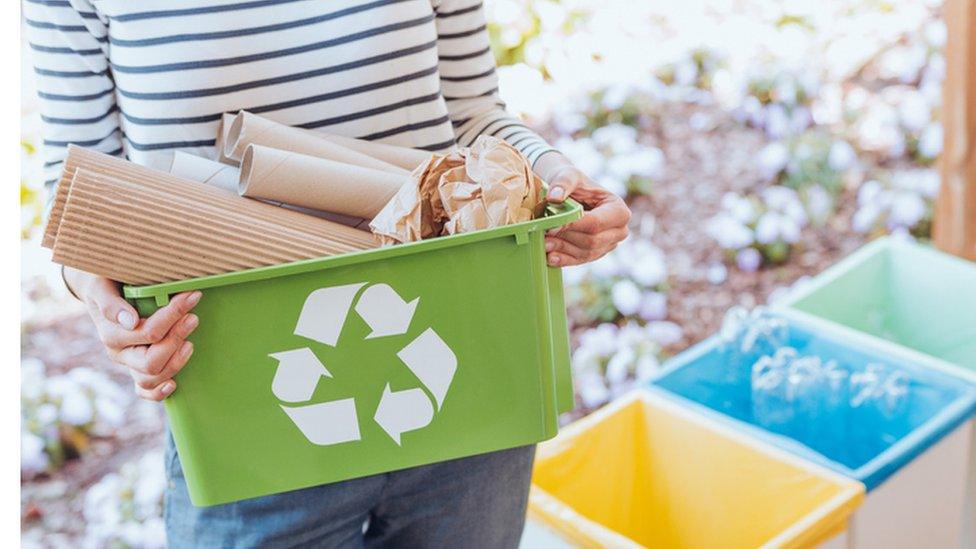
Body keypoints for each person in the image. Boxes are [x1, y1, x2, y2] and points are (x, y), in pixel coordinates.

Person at [26, 0, 631, 546]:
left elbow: (472, 112)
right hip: (242, 395)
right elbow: (79, 190)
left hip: (464, 362)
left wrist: (557, 178)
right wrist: (109, 308)